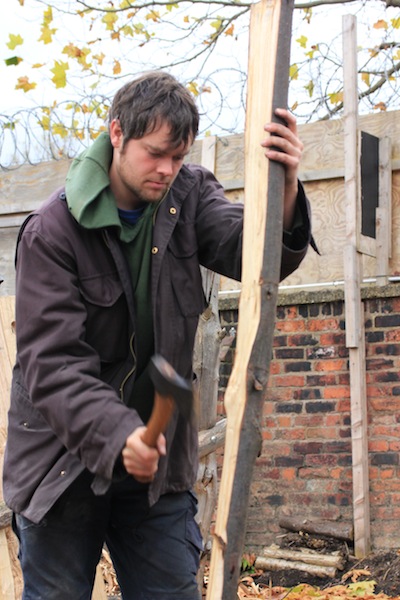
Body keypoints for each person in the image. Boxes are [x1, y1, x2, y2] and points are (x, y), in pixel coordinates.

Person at [3, 71, 313, 600]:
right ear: (117, 133)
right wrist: (121, 434)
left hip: (155, 469)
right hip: (61, 464)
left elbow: (252, 252)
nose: (167, 170)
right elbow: (53, 367)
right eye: (154, 154)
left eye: (178, 155)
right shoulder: (52, 232)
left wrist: (283, 190)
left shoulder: (187, 196)